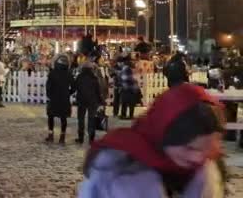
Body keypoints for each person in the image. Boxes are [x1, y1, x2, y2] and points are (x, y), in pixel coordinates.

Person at [78, 83, 225, 197]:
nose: (198, 157)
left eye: (207, 149)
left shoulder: (206, 173)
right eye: (189, 148)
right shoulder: (116, 169)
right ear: (165, 136)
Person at [45, 54, 73, 144]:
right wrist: (69, 93)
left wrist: (49, 95)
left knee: (51, 116)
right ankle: (62, 136)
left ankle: (50, 135)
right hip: (64, 98)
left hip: (54, 97)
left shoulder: (52, 73)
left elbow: (48, 86)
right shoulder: (69, 73)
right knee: (63, 117)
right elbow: (74, 86)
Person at [74, 61, 102, 145]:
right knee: (91, 119)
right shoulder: (94, 78)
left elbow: (75, 87)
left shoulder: (79, 77)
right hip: (92, 101)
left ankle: (80, 137)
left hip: (81, 100)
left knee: (81, 119)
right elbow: (98, 91)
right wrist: (100, 101)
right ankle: (91, 138)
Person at [119, 56, 141, 120]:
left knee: (125, 102)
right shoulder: (127, 68)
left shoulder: (125, 68)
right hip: (129, 88)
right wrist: (134, 80)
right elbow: (126, 78)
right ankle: (129, 115)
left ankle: (124, 115)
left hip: (126, 87)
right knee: (131, 102)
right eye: (131, 60)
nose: (132, 62)